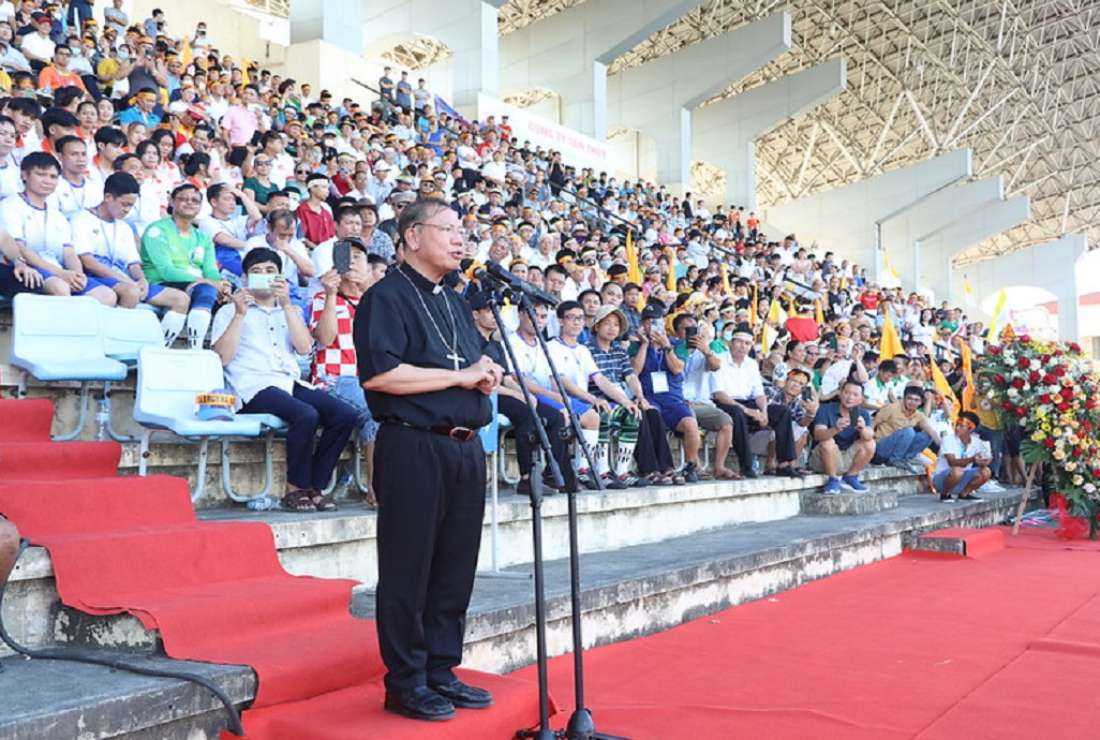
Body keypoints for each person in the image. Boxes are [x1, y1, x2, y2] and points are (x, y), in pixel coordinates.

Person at [355, 197, 501, 721]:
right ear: (413, 236)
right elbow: (381, 376)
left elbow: (464, 363)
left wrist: (483, 374)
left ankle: (442, 669)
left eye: (463, 230)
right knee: (408, 567)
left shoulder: (456, 300)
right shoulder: (385, 297)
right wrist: (460, 378)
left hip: (465, 447)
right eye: (448, 229)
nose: (460, 239)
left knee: (454, 567)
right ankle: (406, 681)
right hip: (413, 444)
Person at [212, 247, 357, 512]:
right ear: (245, 279)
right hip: (252, 387)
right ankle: (295, 489)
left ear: (281, 277)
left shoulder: (288, 310)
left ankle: (316, 485)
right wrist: (240, 314)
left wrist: (288, 304)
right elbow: (221, 358)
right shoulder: (230, 312)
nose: (264, 276)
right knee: (306, 414)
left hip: (288, 383)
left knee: (345, 415)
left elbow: (303, 348)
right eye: (256, 272)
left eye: (270, 271)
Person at [471, 291, 573, 496]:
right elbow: (478, 377)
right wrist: (518, 396)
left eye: (497, 310)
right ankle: (526, 478)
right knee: (527, 414)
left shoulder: (497, 344)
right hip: (484, 392)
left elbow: (508, 377)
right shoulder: (470, 340)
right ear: (475, 314)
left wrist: (525, 394)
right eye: (489, 310)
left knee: (554, 415)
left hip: (504, 390)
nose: (495, 314)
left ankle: (551, 474)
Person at [72, 172, 191, 341]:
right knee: (131, 292)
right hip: (98, 277)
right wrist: (129, 281)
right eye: (124, 204)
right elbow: (88, 262)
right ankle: (114, 342)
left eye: (131, 206)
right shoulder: (82, 219)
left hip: (125, 278)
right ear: (108, 197)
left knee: (181, 299)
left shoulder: (124, 227)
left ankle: (161, 348)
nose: (127, 210)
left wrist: (142, 279)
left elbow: (133, 263)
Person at [310, 240, 381, 506]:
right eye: (346, 257)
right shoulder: (322, 298)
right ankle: (377, 491)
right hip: (333, 379)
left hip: (370, 381)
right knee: (376, 411)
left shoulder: (376, 303)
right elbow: (326, 339)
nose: (352, 261)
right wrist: (330, 294)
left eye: (358, 257)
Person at [550, 300, 642, 489]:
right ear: (560, 321)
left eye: (580, 318)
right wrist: (592, 398)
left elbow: (600, 379)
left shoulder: (582, 350)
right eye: (571, 318)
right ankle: (593, 470)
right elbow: (562, 381)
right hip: (567, 401)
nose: (576, 322)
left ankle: (622, 471)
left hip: (585, 402)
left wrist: (626, 401)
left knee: (631, 414)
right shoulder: (551, 346)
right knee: (602, 411)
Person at [1, 151, 114, 304]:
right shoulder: (10, 206)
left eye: (53, 177)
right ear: (24, 175)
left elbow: (69, 253)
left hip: (59, 270)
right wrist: (61, 273)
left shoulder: (57, 215)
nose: (48, 180)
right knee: (59, 287)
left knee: (106, 296)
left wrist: (77, 275)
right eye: (41, 174)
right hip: (30, 269)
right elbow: (19, 248)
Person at [140, 183, 231, 348]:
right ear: (172, 202)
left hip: (196, 285)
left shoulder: (203, 237)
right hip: (162, 283)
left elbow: (210, 269)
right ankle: (166, 348)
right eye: (183, 199)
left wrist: (219, 284)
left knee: (219, 293)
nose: (189, 203)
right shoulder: (157, 230)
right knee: (206, 288)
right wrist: (207, 281)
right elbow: (166, 271)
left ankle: (195, 348)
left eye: (195, 201)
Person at [712, 327, 804, 478]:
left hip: (748, 402)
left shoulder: (751, 363)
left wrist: (764, 412)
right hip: (725, 403)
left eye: (747, 343)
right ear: (730, 343)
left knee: (782, 412)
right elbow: (719, 394)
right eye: (739, 342)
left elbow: (759, 394)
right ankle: (746, 466)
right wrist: (747, 411)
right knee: (737, 413)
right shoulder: (719, 359)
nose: (743, 346)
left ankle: (784, 464)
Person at [633, 303, 702, 483]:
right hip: (649, 399)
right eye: (647, 323)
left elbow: (678, 368)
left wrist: (666, 347)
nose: (651, 326)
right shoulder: (636, 346)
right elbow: (634, 372)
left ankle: (691, 466)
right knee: (651, 414)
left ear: (663, 323)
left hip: (673, 400)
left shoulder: (677, 344)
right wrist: (644, 344)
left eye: (655, 322)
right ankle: (661, 469)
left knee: (690, 423)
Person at [810, 380, 876, 494]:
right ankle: (833, 479)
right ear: (840, 393)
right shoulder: (825, 409)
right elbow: (818, 435)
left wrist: (862, 428)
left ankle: (850, 477)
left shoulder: (863, 413)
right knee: (827, 441)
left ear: (861, 399)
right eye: (847, 393)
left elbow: (870, 435)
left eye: (855, 395)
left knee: (870, 443)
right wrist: (836, 429)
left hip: (845, 459)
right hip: (822, 459)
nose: (850, 397)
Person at [872, 386, 939, 473]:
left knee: (928, 435)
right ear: (904, 398)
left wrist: (943, 448)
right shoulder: (892, 408)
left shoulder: (918, 415)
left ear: (921, 402)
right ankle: (895, 460)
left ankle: (905, 458)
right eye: (909, 398)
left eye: (916, 400)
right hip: (881, 448)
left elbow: (930, 430)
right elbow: (873, 423)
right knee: (909, 431)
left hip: (897, 450)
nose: (912, 402)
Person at [932, 411, 993, 503]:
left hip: (961, 477)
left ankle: (964, 494)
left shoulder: (977, 442)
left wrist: (984, 462)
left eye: (961, 426)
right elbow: (952, 462)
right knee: (957, 470)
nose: (957, 428)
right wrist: (972, 459)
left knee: (986, 471)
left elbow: (986, 458)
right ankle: (945, 494)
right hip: (942, 480)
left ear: (971, 428)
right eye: (957, 425)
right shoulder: (948, 439)